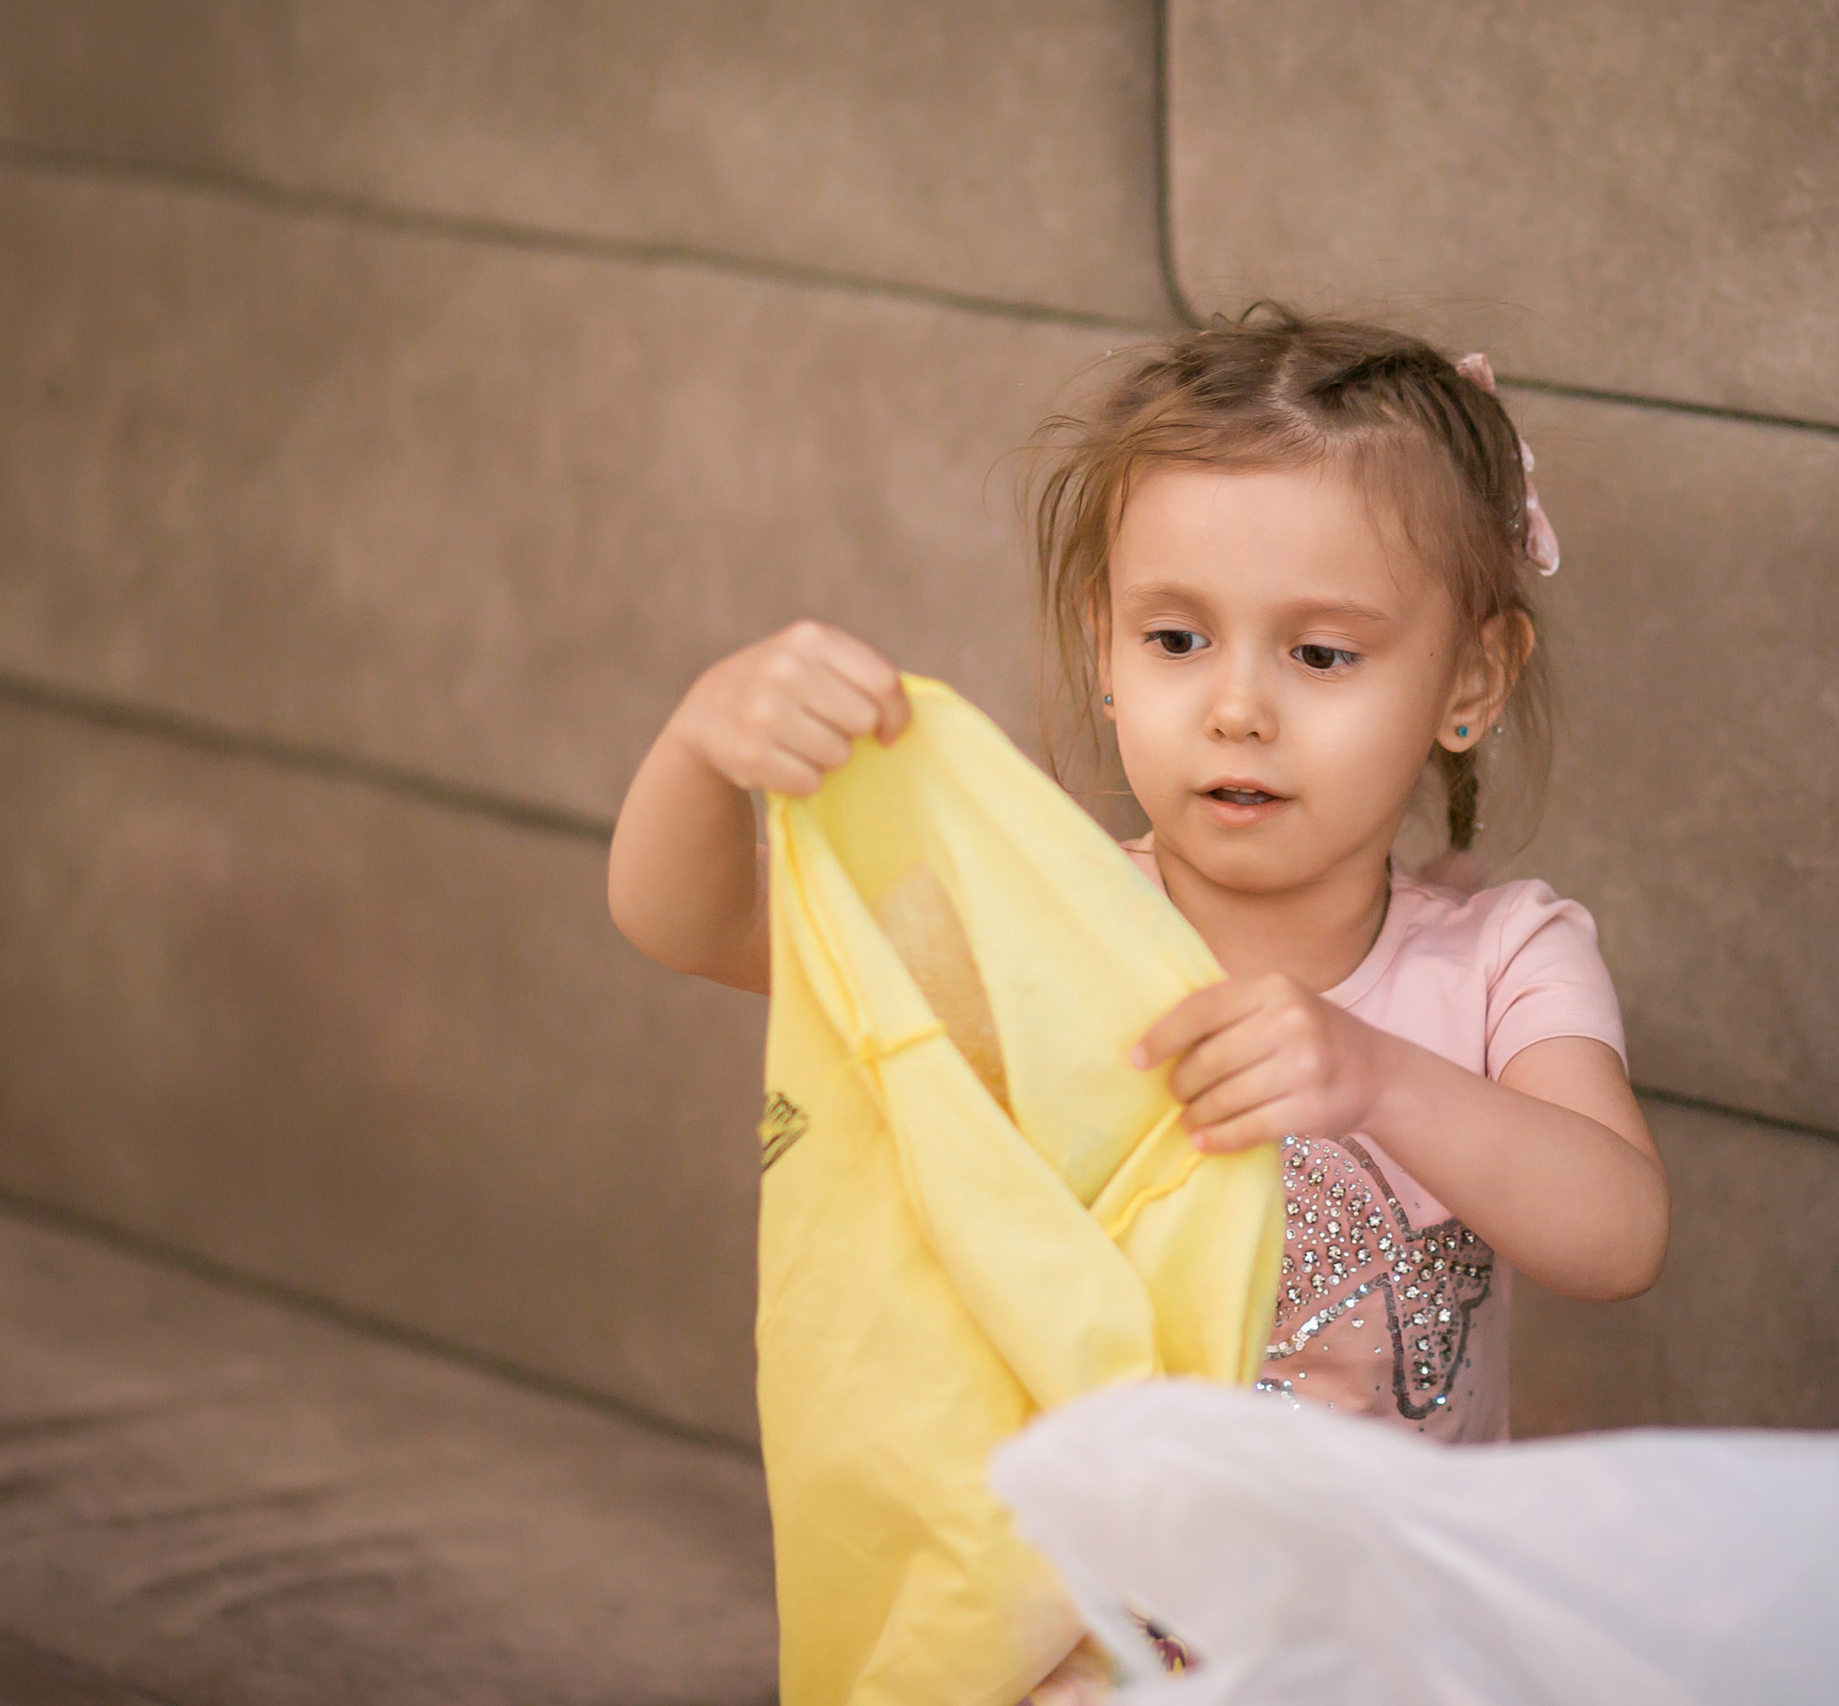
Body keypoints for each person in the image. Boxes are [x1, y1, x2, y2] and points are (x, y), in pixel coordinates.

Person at [607, 305, 1669, 1688]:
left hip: (1383, 1644)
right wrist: (704, 742)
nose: (1237, 708)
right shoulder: (1044, 934)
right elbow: (702, 923)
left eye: (1320, 654)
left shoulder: (1505, 958)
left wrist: (1377, 1074)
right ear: (1103, 651)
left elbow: (1618, 1230)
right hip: (1093, 1635)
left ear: (1469, 678)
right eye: (1175, 639)